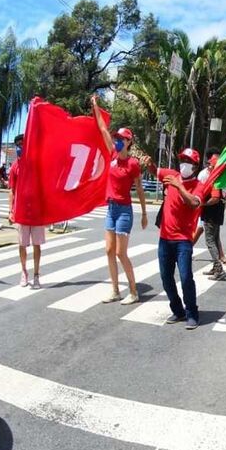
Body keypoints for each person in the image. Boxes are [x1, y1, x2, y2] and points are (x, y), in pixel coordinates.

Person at [91, 97, 149, 303]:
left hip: (124, 210)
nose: (117, 140)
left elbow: (140, 189)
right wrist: (96, 106)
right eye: (117, 137)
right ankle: (115, 290)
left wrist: (143, 214)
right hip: (111, 209)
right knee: (108, 250)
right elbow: (102, 129)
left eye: (121, 138)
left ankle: (133, 291)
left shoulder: (133, 164)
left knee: (120, 253)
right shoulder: (112, 155)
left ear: (129, 142)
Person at [152, 148, 204, 329]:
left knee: (186, 277)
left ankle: (192, 313)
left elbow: (194, 203)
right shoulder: (172, 175)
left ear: (195, 166)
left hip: (183, 240)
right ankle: (178, 310)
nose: (184, 164)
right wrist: (147, 162)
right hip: (164, 238)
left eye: (188, 161)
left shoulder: (199, 185)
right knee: (166, 278)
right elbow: (154, 171)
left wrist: (179, 186)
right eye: (182, 159)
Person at [8, 134, 44, 289]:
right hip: (21, 212)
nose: (20, 147)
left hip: (36, 212)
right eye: (18, 144)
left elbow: (44, 187)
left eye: (23, 144)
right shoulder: (15, 166)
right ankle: (24, 272)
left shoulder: (36, 164)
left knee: (37, 245)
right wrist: (11, 211)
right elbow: (11, 190)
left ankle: (36, 275)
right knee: (22, 244)